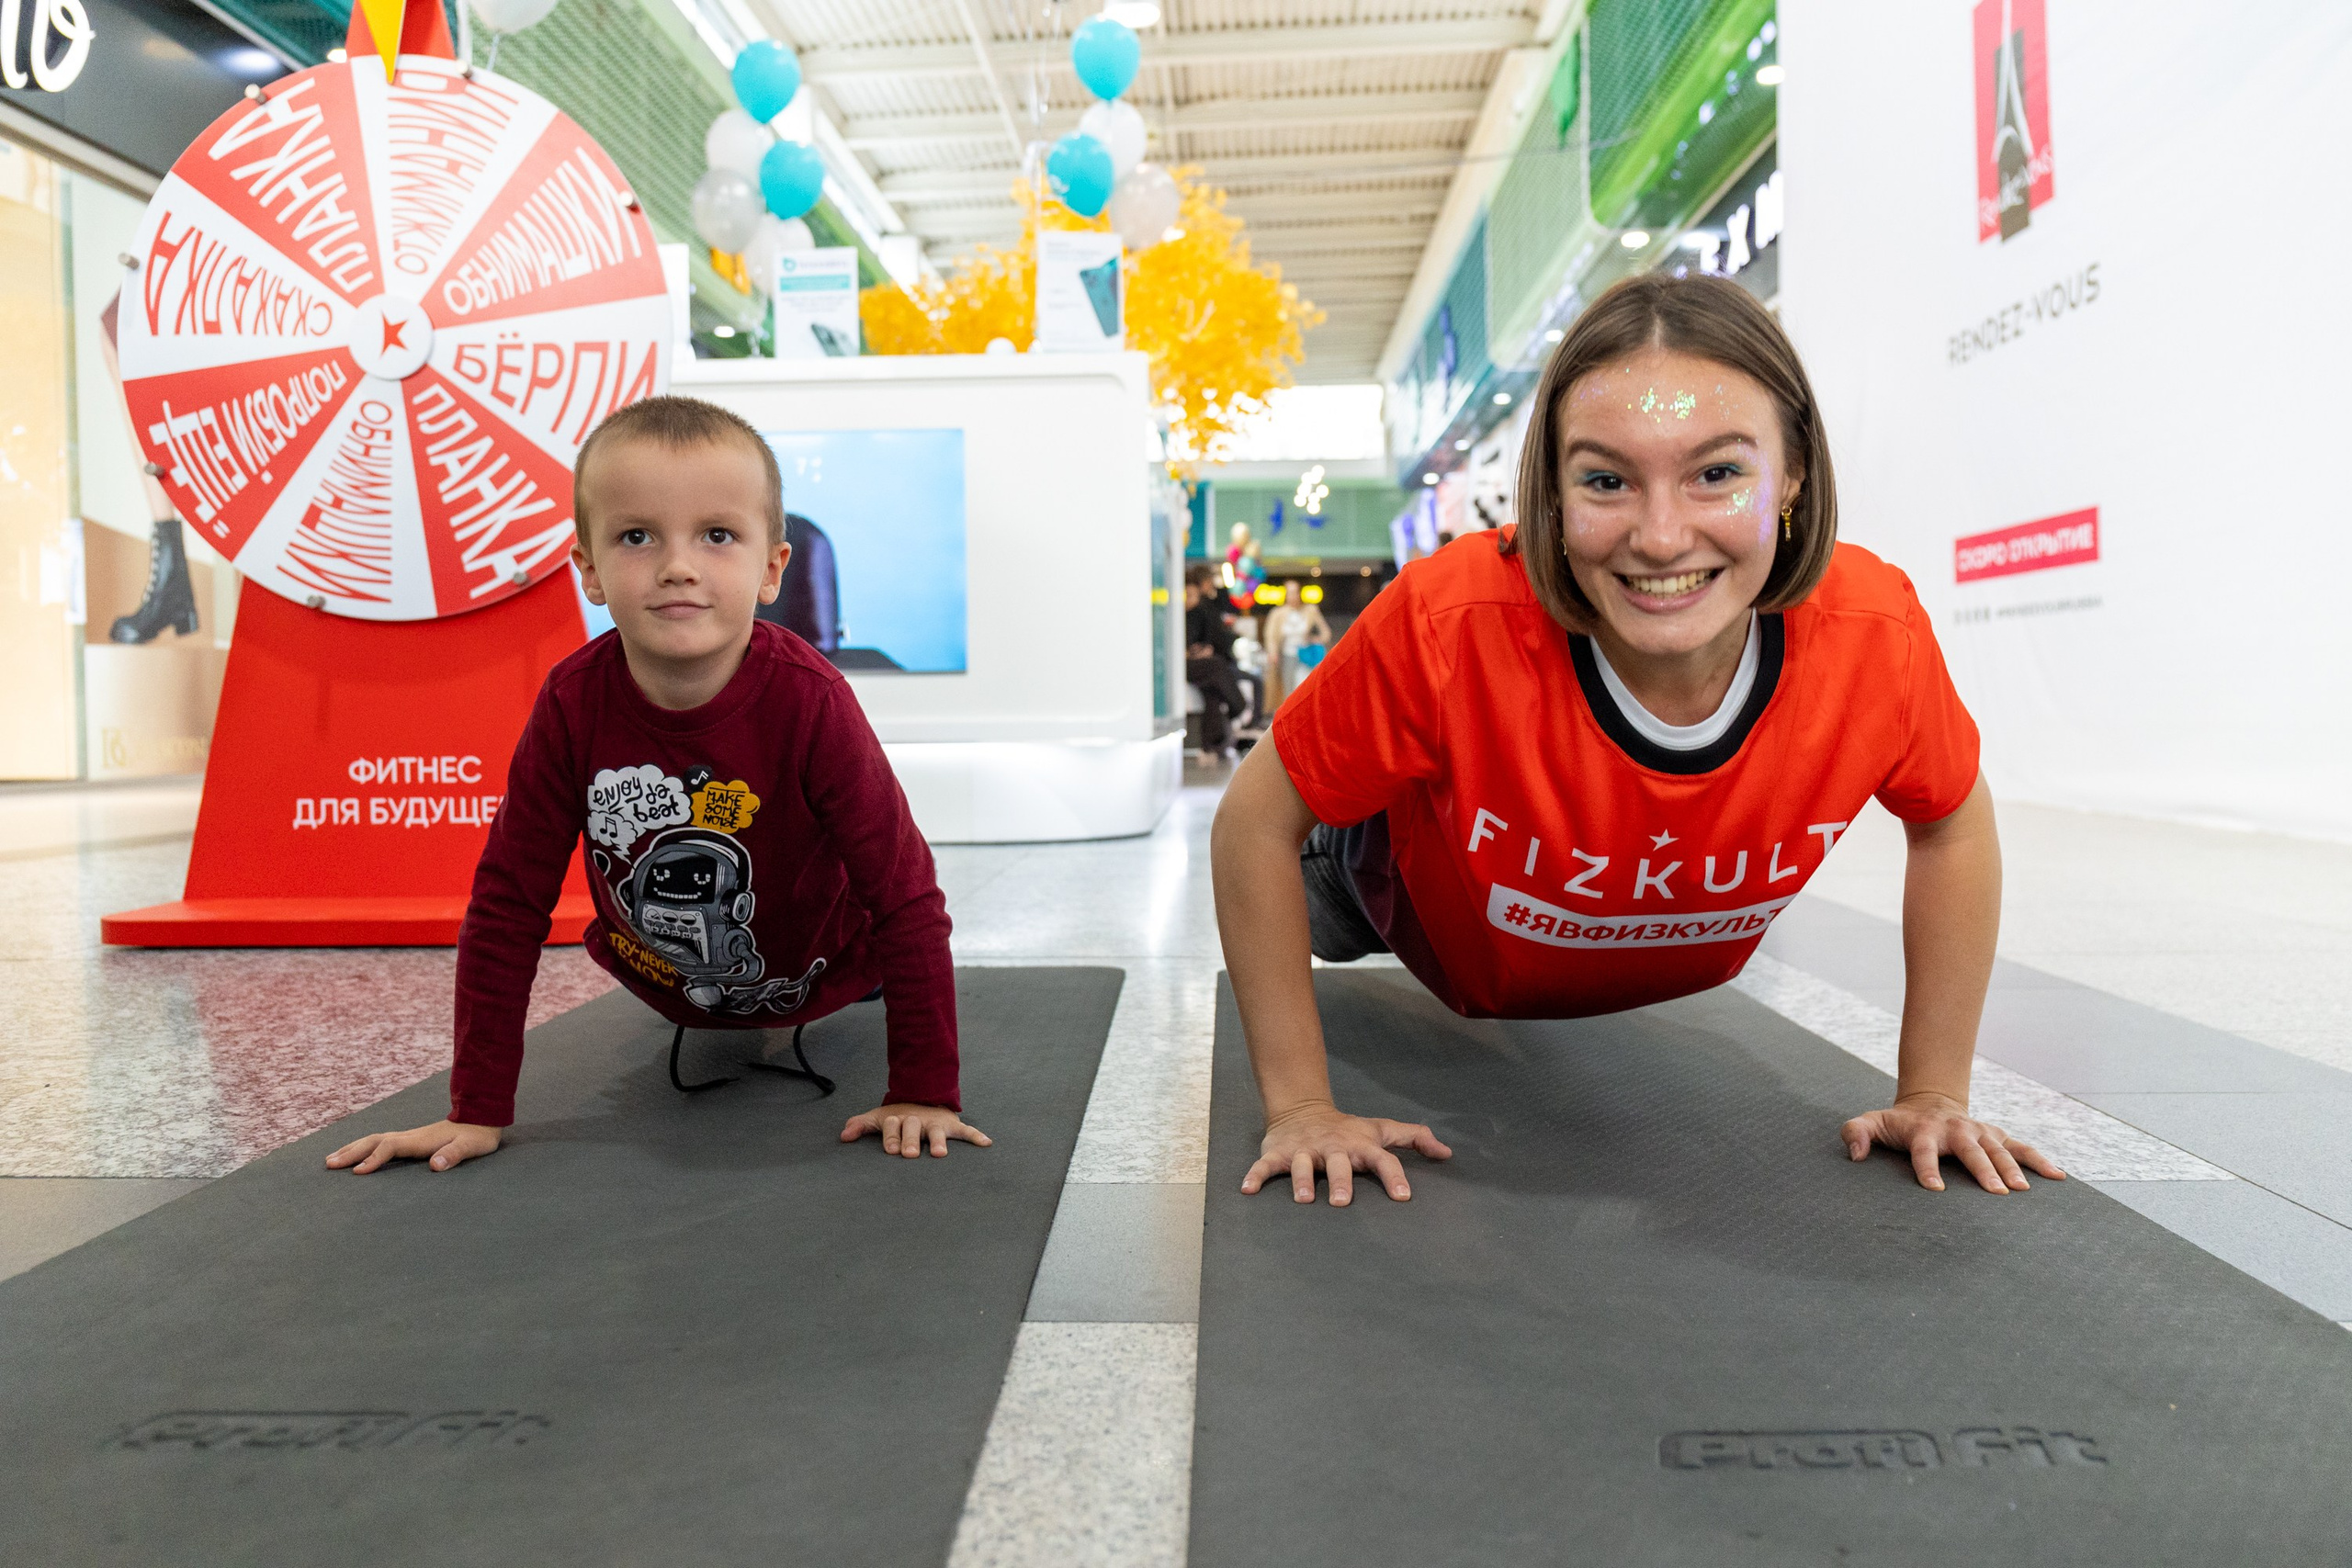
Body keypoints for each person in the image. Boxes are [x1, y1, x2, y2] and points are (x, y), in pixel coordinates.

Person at [1210, 274, 2063, 1208]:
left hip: (1594, 957)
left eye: (1717, 473)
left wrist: (1934, 1092)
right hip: (1385, 887)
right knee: (1317, 876)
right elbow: (1253, 823)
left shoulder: (1874, 633)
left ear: (1794, 477)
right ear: (1550, 493)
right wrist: (1299, 1104)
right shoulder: (1445, 621)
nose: (1661, 538)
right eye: (1605, 481)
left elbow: (1951, 821)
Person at [329, 396, 988, 1174]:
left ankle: (855, 988)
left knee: (865, 965)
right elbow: (508, 902)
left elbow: (905, 895)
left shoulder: (812, 701)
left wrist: (924, 1090)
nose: (679, 565)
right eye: (638, 536)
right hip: (664, 979)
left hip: (827, 966)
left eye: (717, 535)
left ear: (773, 568)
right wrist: (474, 1108)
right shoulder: (573, 703)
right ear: (590, 570)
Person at [1185, 563, 1250, 756]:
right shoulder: (1185, 615)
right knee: (1217, 667)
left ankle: (1213, 745)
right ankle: (1238, 708)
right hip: (1188, 664)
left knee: (1212, 693)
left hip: (1196, 662)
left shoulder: (1198, 612)